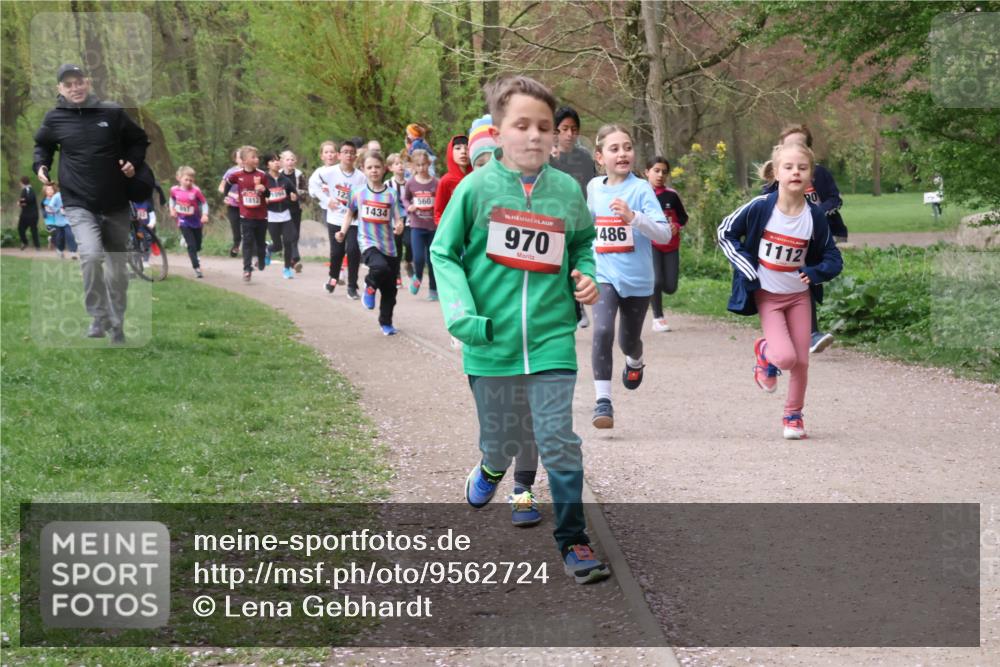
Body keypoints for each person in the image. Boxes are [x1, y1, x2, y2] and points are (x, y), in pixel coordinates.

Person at [431, 75, 610, 584]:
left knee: (558, 440)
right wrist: (462, 313)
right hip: (490, 339)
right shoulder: (475, 188)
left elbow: (582, 245)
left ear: (556, 134)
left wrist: (588, 277)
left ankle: (573, 540)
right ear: (499, 131)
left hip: (552, 336)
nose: (534, 136)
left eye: (544, 127)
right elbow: (443, 253)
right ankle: (491, 466)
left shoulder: (566, 190)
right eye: (521, 125)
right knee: (504, 440)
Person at [718, 142, 843, 440]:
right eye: (788, 167)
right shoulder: (761, 207)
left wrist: (813, 273)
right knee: (785, 358)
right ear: (776, 173)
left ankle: (793, 415)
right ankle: (764, 350)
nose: (795, 172)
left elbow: (833, 258)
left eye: (802, 167)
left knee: (801, 361)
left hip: (799, 297)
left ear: (811, 175)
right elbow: (725, 232)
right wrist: (747, 268)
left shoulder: (814, 217)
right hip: (768, 297)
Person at [33, 63, 150, 345]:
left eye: (79, 82)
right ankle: (99, 315)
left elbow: (139, 140)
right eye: (68, 84)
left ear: (88, 82)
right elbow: (43, 146)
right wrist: (41, 166)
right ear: (60, 89)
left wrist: (133, 163)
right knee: (91, 255)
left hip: (115, 202)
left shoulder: (111, 112)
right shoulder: (55, 118)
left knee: (117, 268)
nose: (75, 88)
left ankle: (117, 324)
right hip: (78, 202)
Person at [587, 125, 671, 429]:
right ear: (600, 157)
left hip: (637, 281)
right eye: (614, 149)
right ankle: (602, 402)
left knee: (628, 341)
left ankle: (635, 360)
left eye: (627, 147)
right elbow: (588, 229)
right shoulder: (594, 188)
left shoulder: (641, 189)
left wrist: (633, 218)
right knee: (603, 331)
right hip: (603, 274)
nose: (623, 153)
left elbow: (663, 233)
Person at [761, 124, 844, 353]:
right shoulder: (776, 176)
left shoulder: (820, 174)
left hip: (813, 234)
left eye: (802, 145)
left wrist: (818, 213)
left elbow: (834, 199)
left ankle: (808, 333)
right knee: (790, 280)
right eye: (790, 146)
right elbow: (763, 205)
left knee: (806, 277)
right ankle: (784, 333)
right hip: (782, 239)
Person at [337, 151, 404, 335]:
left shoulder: (391, 194)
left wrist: (399, 226)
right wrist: (342, 231)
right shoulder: (358, 193)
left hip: (389, 246)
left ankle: (386, 323)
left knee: (390, 292)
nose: (374, 171)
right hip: (367, 242)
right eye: (369, 167)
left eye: (377, 167)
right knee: (378, 267)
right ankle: (370, 284)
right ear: (363, 170)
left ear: (384, 169)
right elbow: (350, 214)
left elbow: (398, 218)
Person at [550, 106, 598, 329]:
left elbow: (593, 185)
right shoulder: (547, 157)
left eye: (574, 129)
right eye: (565, 129)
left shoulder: (584, 157)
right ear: (555, 131)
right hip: (554, 220)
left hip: (581, 218)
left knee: (577, 260)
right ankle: (572, 307)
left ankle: (579, 303)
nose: (570, 134)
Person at [644, 156, 688, 332]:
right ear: (647, 172)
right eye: (656, 170)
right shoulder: (642, 194)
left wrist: (676, 226)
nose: (660, 175)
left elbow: (683, 218)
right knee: (656, 280)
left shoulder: (672, 195)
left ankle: (650, 293)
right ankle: (658, 317)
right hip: (650, 244)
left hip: (671, 245)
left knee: (670, 287)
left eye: (664, 171)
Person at [430, 134, 471, 302]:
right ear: (450, 152)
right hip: (456, 238)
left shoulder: (477, 177)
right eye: (458, 148)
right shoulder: (446, 181)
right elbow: (438, 213)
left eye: (467, 148)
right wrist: (449, 231)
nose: (463, 152)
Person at [324, 140, 367, 298]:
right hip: (335, 218)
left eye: (351, 152)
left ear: (355, 156)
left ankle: (352, 286)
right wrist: (325, 200)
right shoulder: (329, 172)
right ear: (339, 155)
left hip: (354, 219)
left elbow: (364, 197)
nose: (348, 155)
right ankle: (333, 278)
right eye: (345, 152)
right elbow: (313, 185)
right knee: (337, 252)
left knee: (354, 251)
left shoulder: (361, 177)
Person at [226, 145, 268, 282]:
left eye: (257, 157)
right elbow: (227, 182)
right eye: (253, 157)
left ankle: (261, 258)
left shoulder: (261, 175)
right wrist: (228, 194)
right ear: (244, 161)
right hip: (246, 215)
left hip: (261, 215)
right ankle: (246, 269)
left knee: (260, 242)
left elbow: (269, 193)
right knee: (248, 242)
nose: (257, 159)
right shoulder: (237, 175)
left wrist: (263, 189)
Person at [402, 149, 439, 297]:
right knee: (418, 258)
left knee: (432, 260)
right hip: (417, 226)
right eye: (418, 165)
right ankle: (417, 277)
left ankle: (433, 289)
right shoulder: (410, 183)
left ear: (429, 164)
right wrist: (408, 207)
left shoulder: (436, 182)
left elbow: (442, 199)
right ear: (413, 166)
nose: (421, 168)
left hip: (433, 227)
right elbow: (405, 198)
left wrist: (437, 204)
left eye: (424, 165)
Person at [308, 140, 340, 290]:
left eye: (332, 151)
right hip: (329, 211)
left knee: (348, 242)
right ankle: (338, 272)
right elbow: (312, 190)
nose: (330, 155)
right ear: (321, 156)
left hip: (346, 212)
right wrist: (325, 199)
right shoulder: (319, 173)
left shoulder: (343, 171)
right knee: (336, 242)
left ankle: (342, 269)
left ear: (338, 155)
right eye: (326, 152)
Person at [263, 152, 299, 279]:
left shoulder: (285, 180)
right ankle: (268, 249)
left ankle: (287, 269)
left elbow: (294, 194)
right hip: (272, 216)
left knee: (288, 242)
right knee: (278, 245)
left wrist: (294, 197)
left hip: (285, 215)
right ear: (267, 164)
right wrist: (264, 200)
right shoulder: (264, 180)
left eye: (278, 160)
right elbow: (258, 195)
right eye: (273, 161)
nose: (276, 163)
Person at [169, 166, 209, 278]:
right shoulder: (174, 190)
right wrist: (172, 209)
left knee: (198, 245)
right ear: (179, 178)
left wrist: (205, 215)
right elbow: (172, 199)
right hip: (183, 221)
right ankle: (197, 268)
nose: (188, 182)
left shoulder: (196, 191)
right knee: (191, 246)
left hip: (196, 221)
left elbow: (204, 203)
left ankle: (187, 242)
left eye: (191, 180)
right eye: (186, 179)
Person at [384, 152, 412, 287]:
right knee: (397, 247)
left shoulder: (411, 183)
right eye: (396, 164)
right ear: (390, 168)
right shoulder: (387, 184)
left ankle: (408, 261)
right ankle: (397, 275)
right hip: (395, 220)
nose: (400, 166)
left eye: (402, 163)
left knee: (410, 242)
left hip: (410, 219)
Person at [280, 150, 307, 272]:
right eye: (287, 159)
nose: (290, 162)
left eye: (292, 159)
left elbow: (305, 191)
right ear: (282, 162)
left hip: (296, 208)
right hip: (281, 209)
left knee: (295, 234)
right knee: (290, 234)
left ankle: (292, 260)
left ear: (295, 162)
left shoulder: (299, 174)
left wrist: (297, 194)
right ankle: (295, 257)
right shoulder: (278, 175)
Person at [42, 183, 77, 259]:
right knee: (60, 238)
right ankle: (60, 250)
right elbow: (50, 207)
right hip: (58, 222)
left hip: (68, 221)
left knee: (70, 235)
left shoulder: (69, 195)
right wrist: (57, 210)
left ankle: (73, 252)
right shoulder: (56, 196)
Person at [218, 149, 243, 257]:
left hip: (248, 205)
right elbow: (221, 187)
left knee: (249, 227)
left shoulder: (254, 172)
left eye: (244, 156)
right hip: (233, 205)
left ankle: (253, 249)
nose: (242, 159)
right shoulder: (231, 172)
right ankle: (236, 246)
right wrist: (232, 195)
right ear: (235, 159)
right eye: (239, 157)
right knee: (236, 228)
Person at [17, 176, 41, 250]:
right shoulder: (26, 190)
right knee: (21, 228)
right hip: (26, 214)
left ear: (21, 182)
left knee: (33, 230)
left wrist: (20, 202)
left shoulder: (29, 190)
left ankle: (36, 246)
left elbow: (29, 199)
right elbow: (24, 201)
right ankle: (25, 242)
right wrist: (21, 202)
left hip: (32, 214)